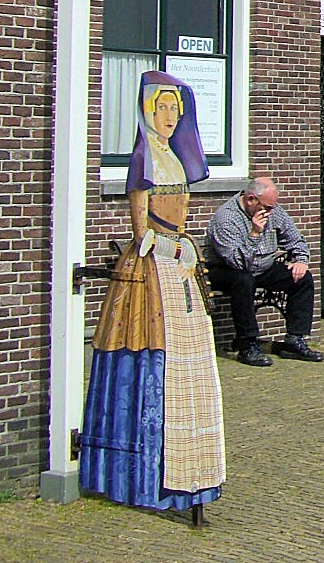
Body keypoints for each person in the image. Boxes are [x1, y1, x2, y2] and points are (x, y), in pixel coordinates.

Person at [81, 72, 225, 511]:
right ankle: (142, 474)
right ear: (148, 110)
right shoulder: (144, 157)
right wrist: (169, 246)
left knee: (190, 356)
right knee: (148, 352)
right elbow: (141, 229)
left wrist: (183, 247)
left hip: (178, 261)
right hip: (152, 269)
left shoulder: (175, 158)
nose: (168, 116)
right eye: (161, 108)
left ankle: (190, 466)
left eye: (174, 109)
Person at [205, 176, 324, 365]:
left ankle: (294, 340)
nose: (271, 212)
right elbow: (237, 262)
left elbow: (295, 238)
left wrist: (301, 260)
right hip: (227, 269)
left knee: (303, 279)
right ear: (251, 200)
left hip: (263, 266)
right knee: (243, 281)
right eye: (267, 207)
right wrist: (254, 234)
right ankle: (248, 345)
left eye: (272, 207)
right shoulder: (226, 218)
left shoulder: (272, 211)